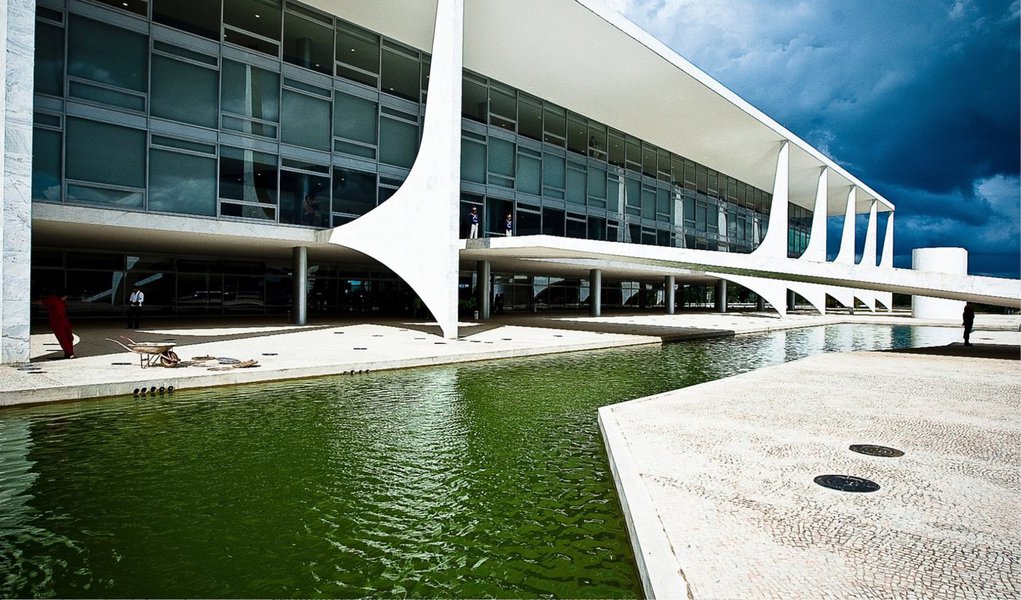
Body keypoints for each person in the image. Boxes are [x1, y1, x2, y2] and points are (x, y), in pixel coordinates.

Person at [38, 290, 75, 359]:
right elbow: (42, 302)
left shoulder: (56, 300)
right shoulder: (54, 300)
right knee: (65, 338)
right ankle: (69, 353)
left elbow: (42, 302)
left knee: (66, 338)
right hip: (59, 322)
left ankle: (68, 353)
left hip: (61, 321)